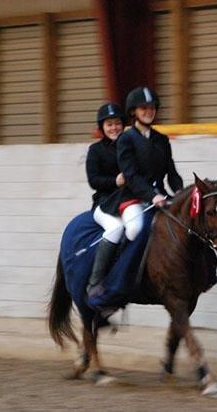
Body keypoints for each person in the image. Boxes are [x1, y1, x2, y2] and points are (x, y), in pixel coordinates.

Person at [87, 86, 183, 307]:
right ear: (134, 112)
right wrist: (153, 196)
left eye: (151, 108)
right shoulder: (126, 139)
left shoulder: (161, 139)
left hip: (160, 196)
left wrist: (178, 190)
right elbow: (130, 175)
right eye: (143, 108)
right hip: (135, 197)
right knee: (134, 228)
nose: (148, 111)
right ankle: (119, 277)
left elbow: (172, 172)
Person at [85, 102, 126, 297]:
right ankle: (95, 282)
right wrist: (115, 181)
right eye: (109, 124)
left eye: (117, 123)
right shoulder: (95, 150)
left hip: (131, 199)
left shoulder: (131, 146)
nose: (114, 128)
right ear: (102, 127)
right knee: (116, 229)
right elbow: (94, 180)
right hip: (105, 202)